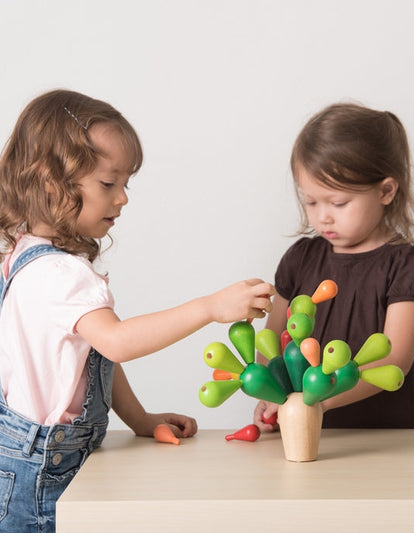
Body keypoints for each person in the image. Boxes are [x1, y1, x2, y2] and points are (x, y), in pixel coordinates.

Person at [0, 89, 274, 532]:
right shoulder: (61, 274)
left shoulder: (22, 255)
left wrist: (140, 420)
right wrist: (210, 307)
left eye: (126, 184)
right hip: (47, 473)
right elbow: (118, 342)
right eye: (109, 184)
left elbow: (94, 356)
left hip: (28, 459)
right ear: (51, 183)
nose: (123, 198)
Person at [254, 102, 414, 431]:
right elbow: (272, 341)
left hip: (386, 438)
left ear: (385, 191)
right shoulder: (300, 258)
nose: (323, 216)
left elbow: (395, 360)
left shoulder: (406, 264)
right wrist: (271, 397)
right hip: (305, 432)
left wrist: (316, 400)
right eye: (311, 201)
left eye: (338, 203)